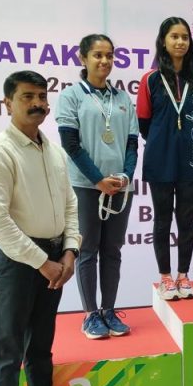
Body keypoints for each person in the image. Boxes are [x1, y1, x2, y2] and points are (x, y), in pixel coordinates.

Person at [0, 70, 83, 386]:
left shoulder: (54, 152)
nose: (38, 104)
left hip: (53, 258)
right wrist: (42, 262)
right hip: (13, 263)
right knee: (7, 352)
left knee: (40, 346)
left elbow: (70, 205)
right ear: (8, 103)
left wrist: (69, 251)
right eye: (27, 97)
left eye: (42, 96)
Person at [56, 34, 138, 339]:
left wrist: (126, 177)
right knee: (88, 250)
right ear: (83, 58)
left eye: (109, 55)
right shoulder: (71, 96)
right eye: (98, 55)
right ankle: (91, 314)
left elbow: (132, 144)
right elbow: (70, 144)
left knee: (113, 250)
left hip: (119, 188)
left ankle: (109, 310)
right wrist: (97, 180)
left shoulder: (123, 99)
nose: (105, 61)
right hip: (86, 186)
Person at [137, 17, 193, 300]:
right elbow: (144, 123)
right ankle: (165, 277)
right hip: (160, 158)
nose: (180, 42)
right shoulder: (150, 80)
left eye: (185, 37)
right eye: (174, 36)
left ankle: (184, 276)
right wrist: (163, 139)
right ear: (163, 41)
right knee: (162, 219)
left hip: (189, 158)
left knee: (187, 220)